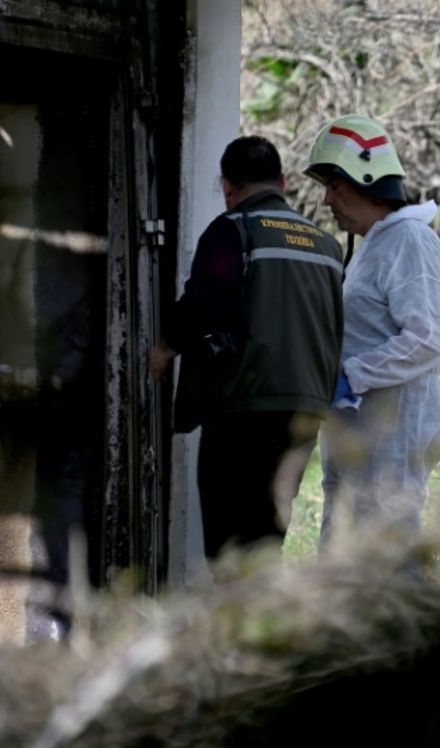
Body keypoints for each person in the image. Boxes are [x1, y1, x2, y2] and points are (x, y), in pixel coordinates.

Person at [150, 135, 345, 563]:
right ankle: (264, 621)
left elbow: (206, 301)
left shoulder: (234, 230)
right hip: (306, 408)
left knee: (230, 541)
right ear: (284, 182)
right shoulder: (327, 246)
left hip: (245, 406)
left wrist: (165, 347)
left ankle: (237, 623)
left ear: (227, 187)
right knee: (268, 530)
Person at [302, 115, 440, 548]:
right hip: (359, 430)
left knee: (386, 561)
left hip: (394, 432)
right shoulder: (377, 243)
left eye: (335, 186)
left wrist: (353, 375)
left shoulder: (411, 241)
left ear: (365, 180)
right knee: (346, 551)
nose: (328, 200)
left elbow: (427, 340)